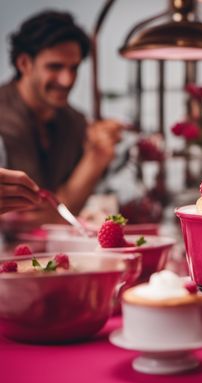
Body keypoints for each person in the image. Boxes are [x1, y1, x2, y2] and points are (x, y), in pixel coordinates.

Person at [0, 10, 123, 225]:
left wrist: (97, 156)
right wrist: (94, 160)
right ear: (24, 64)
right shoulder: (5, 118)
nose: (67, 80)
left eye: (73, 68)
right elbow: (35, 215)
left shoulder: (74, 121)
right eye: (54, 67)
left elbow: (61, 212)